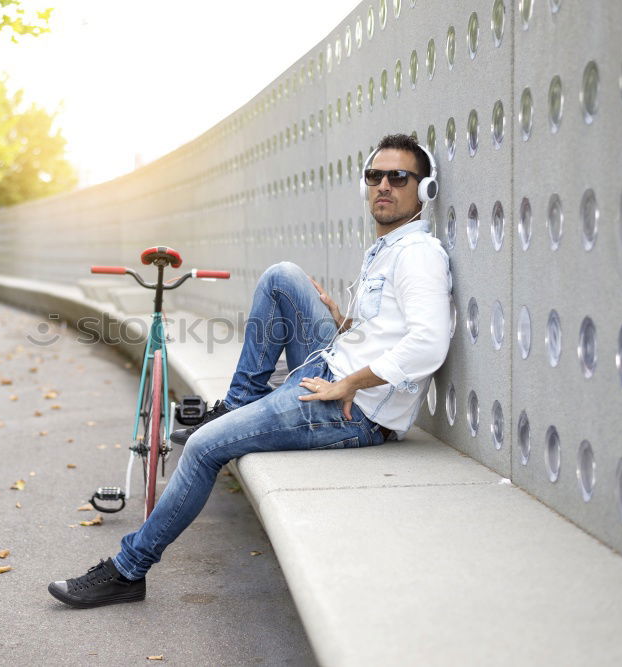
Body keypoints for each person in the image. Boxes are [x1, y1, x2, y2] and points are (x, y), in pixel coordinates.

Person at [48, 133, 452, 608]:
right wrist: (343, 322)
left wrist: (347, 381)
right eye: (374, 176)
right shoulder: (386, 249)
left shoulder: (419, 254)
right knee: (282, 276)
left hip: (351, 409)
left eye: (398, 177)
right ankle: (236, 405)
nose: (383, 186)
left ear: (423, 190)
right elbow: (389, 330)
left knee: (202, 447)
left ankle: (128, 570)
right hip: (333, 364)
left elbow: (428, 343)